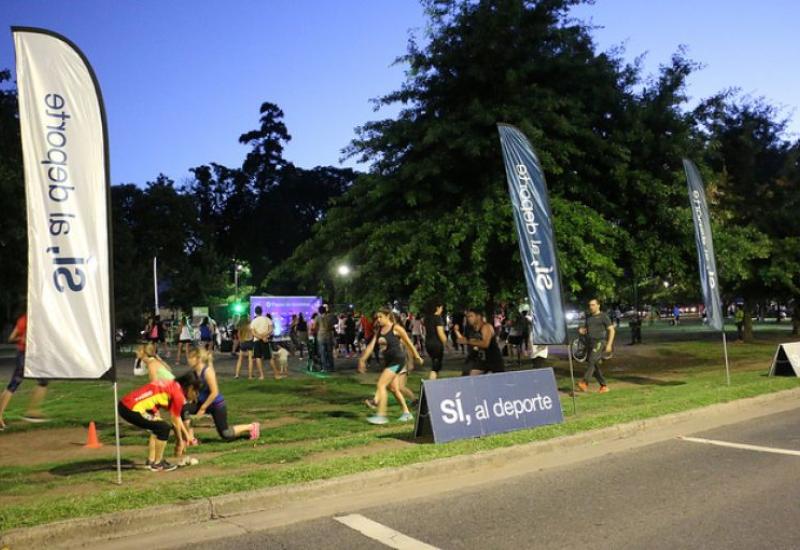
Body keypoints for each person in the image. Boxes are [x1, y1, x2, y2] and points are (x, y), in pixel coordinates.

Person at [117, 370, 198, 472]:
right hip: (131, 408)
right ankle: (158, 464)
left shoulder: (172, 385)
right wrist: (179, 442)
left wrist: (186, 437)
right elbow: (175, 420)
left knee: (158, 426)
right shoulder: (178, 395)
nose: (196, 396)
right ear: (190, 388)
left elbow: (177, 417)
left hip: (127, 404)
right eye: (196, 392)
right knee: (163, 428)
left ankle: (152, 461)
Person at [358, 308, 423, 424]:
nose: (378, 319)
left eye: (380, 317)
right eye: (377, 317)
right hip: (388, 362)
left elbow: (408, 343)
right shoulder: (379, 331)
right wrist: (362, 359)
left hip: (397, 360)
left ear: (388, 316)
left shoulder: (396, 328)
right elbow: (371, 346)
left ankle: (381, 415)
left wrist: (417, 357)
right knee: (393, 389)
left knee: (381, 384)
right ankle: (407, 413)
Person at [184, 348, 260, 442]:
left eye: (191, 357)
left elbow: (214, 392)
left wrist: (203, 408)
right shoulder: (194, 373)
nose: (188, 360)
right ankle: (191, 439)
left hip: (216, 405)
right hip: (203, 403)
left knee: (226, 434)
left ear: (198, 358)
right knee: (185, 409)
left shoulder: (207, 371)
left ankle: (251, 427)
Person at [0, 310, 49, 429]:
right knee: (14, 384)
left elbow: (12, 338)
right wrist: (22, 339)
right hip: (25, 355)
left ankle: (32, 411)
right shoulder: (31, 319)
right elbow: (12, 338)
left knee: (43, 381)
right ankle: (30, 411)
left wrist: (20, 339)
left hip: (32, 355)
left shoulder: (24, 319)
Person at [576, 298, 615, 393]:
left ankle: (584, 382)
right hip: (590, 343)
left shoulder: (603, 316)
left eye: (593, 305)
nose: (591, 307)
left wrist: (609, 345)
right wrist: (581, 331)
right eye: (590, 305)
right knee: (594, 365)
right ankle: (604, 386)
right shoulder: (589, 317)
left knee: (592, 360)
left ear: (598, 305)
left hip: (600, 342)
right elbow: (586, 330)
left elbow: (612, 330)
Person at [454, 307, 504, 376]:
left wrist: (468, 341)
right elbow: (464, 340)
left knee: (499, 383)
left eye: (471, 316)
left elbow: (485, 344)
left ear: (478, 317)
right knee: (468, 377)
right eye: (467, 316)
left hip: (494, 359)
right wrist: (456, 331)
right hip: (482, 360)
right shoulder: (472, 329)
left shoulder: (486, 327)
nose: (469, 318)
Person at [424, 301, 447, 380]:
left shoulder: (427, 318)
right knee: (435, 367)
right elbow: (440, 333)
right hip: (436, 344)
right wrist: (447, 344)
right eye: (441, 307)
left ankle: (435, 384)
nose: (442, 309)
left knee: (436, 365)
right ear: (437, 308)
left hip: (428, 343)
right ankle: (430, 386)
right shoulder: (438, 318)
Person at [250, 306, 273, 380]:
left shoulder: (254, 321)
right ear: (261, 311)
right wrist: (264, 336)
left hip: (257, 340)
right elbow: (271, 330)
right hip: (265, 340)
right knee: (269, 357)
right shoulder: (267, 319)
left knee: (258, 357)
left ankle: (262, 375)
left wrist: (260, 337)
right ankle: (276, 374)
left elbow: (253, 333)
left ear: (255, 312)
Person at [316, 304, 336, 373]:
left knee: (322, 353)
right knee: (330, 352)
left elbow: (315, 327)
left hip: (321, 336)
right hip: (329, 335)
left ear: (319, 311)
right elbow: (335, 322)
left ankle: (324, 368)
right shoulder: (330, 317)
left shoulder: (317, 318)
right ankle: (331, 367)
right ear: (325, 310)